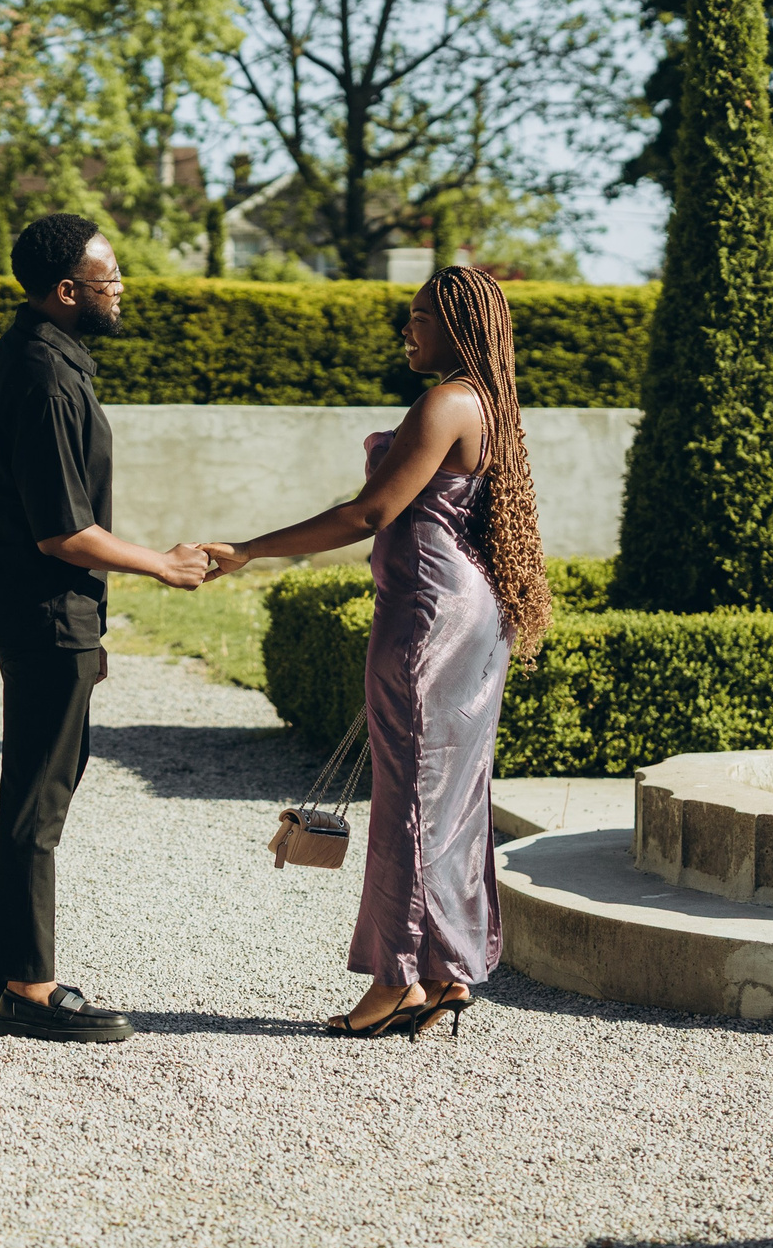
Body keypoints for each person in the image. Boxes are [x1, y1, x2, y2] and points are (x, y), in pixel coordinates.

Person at [203, 265, 552, 1039]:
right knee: (446, 800)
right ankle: (441, 972)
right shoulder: (482, 402)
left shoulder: (447, 401)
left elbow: (371, 511)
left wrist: (251, 549)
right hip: (463, 615)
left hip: (429, 619)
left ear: (459, 326)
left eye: (421, 316)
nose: (408, 327)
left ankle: (397, 980)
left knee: (412, 803)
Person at [0, 213, 213, 1045]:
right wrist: (162, 565)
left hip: (32, 608)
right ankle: (30, 987)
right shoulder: (47, 376)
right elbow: (62, 531)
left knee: (38, 777)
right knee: (43, 795)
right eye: (109, 278)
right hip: (45, 610)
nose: (121, 286)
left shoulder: (35, 354)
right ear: (67, 291)